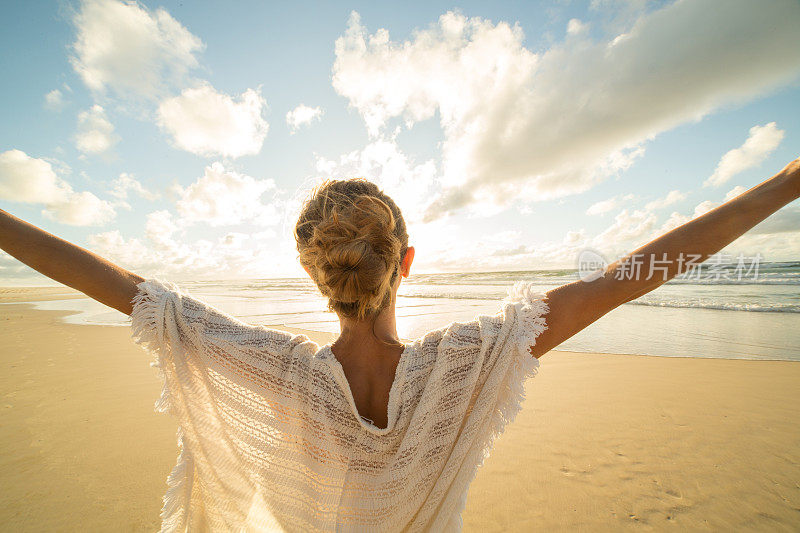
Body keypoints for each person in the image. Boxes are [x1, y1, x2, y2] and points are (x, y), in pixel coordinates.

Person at [0, 157, 798, 532]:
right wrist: (782, 184)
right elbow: (631, 275)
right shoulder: (467, 363)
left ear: (313, 272)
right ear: (407, 261)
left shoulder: (276, 370)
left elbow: (124, 288)